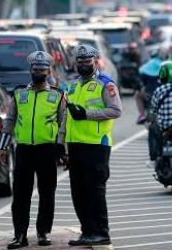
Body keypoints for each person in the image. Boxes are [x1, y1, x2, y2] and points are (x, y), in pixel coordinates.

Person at [0, 51, 67, 249]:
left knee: (47, 193)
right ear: (30, 70)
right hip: (24, 150)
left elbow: (63, 124)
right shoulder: (19, 94)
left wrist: (64, 150)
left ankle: (43, 232)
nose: (39, 73)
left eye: (42, 70)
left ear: (48, 71)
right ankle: (20, 235)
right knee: (20, 194)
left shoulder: (58, 95)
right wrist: (2, 146)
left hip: (47, 150)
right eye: (35, 70)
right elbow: (9, 121)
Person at [65, 44, 122, 247]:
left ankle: (100, 232)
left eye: (87, 61)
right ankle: (87, 232)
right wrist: (61, 145)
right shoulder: (71, 86)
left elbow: (116, 110)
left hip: (96, 145)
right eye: (79, 62)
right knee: (78, 191)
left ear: (95, 61)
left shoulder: (105, 84)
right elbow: (66, 116)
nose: (83, 65)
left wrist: (87, 114)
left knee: (94, 191)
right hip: (74, 145)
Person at [135, 46, 169, 124]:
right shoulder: (168, 65)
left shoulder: (147, 65)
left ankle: (142, 115)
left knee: (137, 95)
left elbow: (139, 81)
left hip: (149, 93)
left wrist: (140, 90)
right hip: (165, 93)